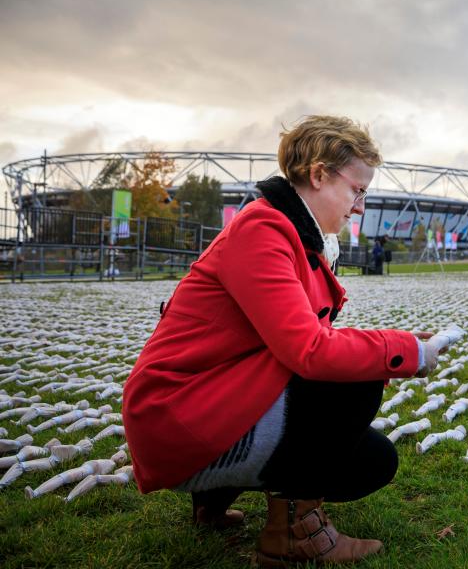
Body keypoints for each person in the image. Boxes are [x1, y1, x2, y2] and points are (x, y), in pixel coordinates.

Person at [122, 115, 443, 566]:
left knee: (372, 460)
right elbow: (310, 351)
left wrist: (398, 344)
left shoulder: (293, 234)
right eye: (357, 190)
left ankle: (214, 495)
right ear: (317, 175)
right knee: (353, 383)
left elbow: (301, 339)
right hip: (179, 415)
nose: (360, 207)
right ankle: (294, 534)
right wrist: (406, 351)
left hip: (208, 400)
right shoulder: (264, 230)